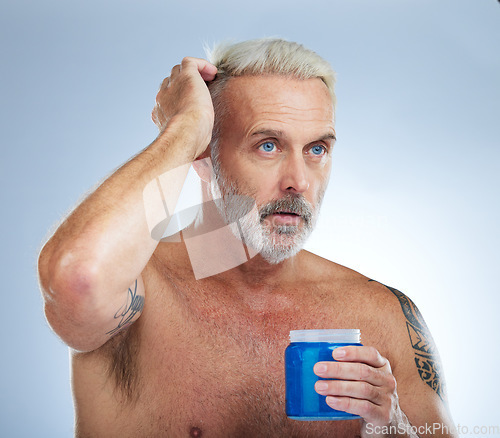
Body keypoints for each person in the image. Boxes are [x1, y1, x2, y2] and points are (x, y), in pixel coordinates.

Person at [38, 38, 456, 437]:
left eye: (316, 149)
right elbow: (78, 279)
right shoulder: (138, 290)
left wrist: (393, 427)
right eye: (268, 146)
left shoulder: (382, 314)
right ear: (204, 153)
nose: (298, 182)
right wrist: (184, 128)